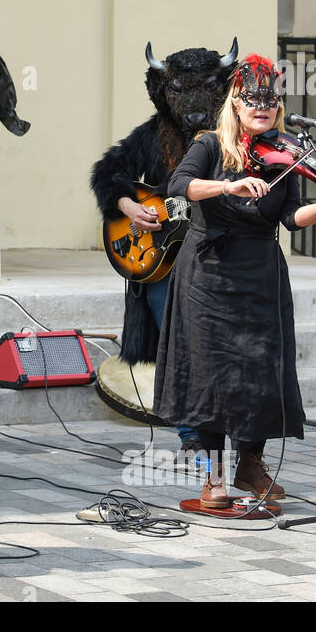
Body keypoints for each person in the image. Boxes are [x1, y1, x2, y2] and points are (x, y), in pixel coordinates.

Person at [153, 54, 316, 508]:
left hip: (261, 274)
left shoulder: (287, 152)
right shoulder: (209, 145)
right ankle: (210, 476)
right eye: (253, 99)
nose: (263, 107)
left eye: (270, 100)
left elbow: (292, 217)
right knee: (207, 376)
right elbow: (180, 185)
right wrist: (227, 186)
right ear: (235, 102)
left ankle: (250, 462)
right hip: (207, 275)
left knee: (259, 372)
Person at [89, 40, 237, 460]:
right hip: (160, 260)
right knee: (173, 342)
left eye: (206, 89)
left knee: (214, 343)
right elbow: (107, 170)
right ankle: (191, 432)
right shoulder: (152, 135)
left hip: (215, 256)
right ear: (163, 91)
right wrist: (126, 204)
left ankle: (225, 432)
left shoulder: (234, 140)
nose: (193, 105)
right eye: (180, 91)